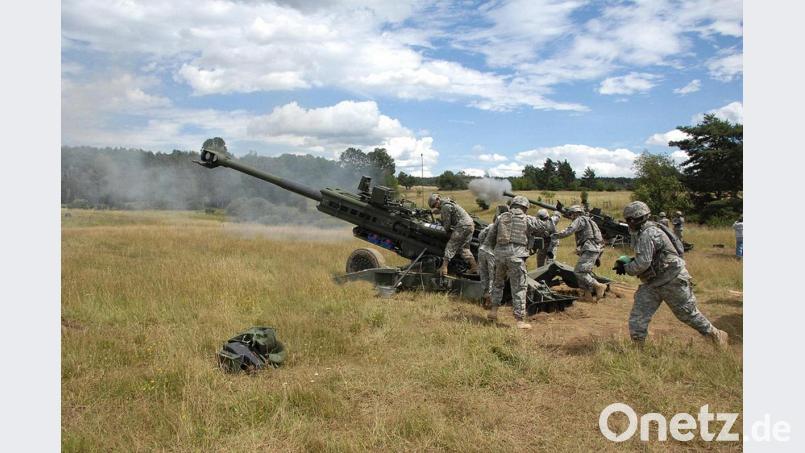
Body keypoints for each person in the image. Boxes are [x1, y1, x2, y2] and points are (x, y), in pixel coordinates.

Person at [614, 201, 728, 347]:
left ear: (637, 219)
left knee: (688, 314)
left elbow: (643, 263)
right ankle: (638, 349)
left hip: (671, 279)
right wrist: (628, 262)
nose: (628, 223)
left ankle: (716, 335)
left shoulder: (649, 233)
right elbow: (649, 258)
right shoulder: (645, 232)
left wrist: (627, 268)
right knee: (638, 316)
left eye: (630, 219)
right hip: (653, 282)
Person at [485, 196, 548, 329]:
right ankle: (520, 320)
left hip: (499, 256)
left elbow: (490, 238)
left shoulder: (501, 217)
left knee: (497, 284)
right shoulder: (527, 219)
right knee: (519, 287)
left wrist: (497, 251)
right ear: (525, 207)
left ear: (512, 205)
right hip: (516, 257)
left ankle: (493, 311)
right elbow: (544, 227)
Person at [551, 205, 608, 301]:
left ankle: (598, 286)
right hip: (595, 249)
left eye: (571, 214)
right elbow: (599, 239)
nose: (571, 216)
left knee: (579, 271)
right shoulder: (591, 221)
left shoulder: (580, 219)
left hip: (589, 249)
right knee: (585, 272)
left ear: (576, 213)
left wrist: (555, 235)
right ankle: (587, 296)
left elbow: (569, 230)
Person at [428, 193, 478, 276]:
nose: (435, 207)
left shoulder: (445, 207)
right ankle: (474, 268)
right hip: (470, 225)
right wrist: (439, 211)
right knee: (464, 248)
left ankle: (444, 268)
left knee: (451, 245)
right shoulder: (448, 203)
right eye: (433, 206)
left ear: (438, 199)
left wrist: (440, 225)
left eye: (435, 205)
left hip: (463, 226)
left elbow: (447, 226)